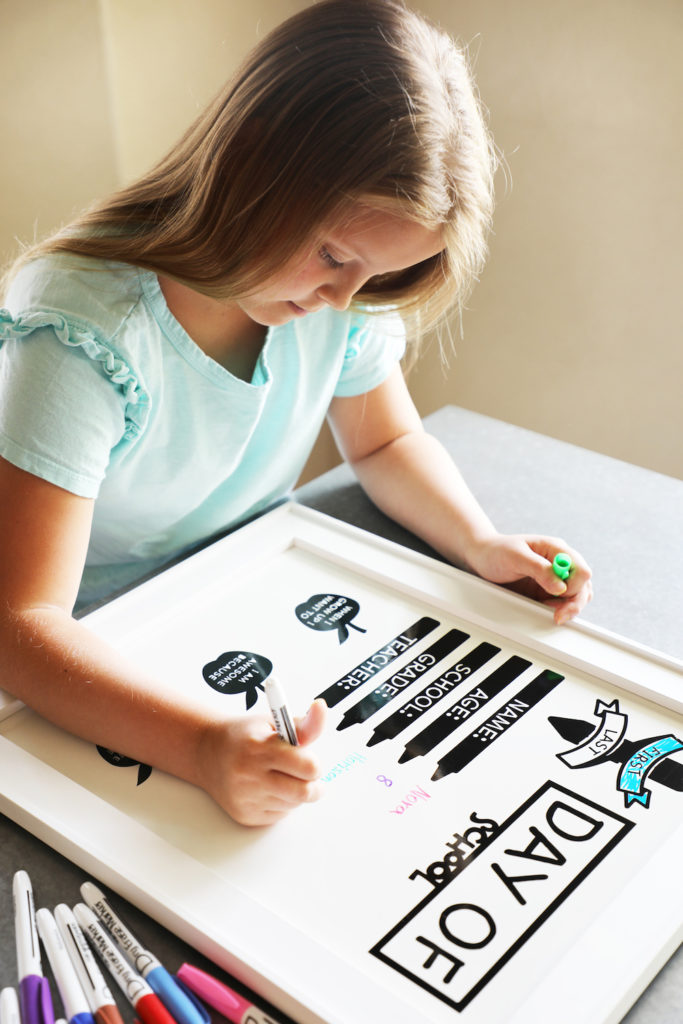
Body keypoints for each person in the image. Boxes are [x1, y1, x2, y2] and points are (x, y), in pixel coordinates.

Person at [0, 0, 591, 826]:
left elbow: (385, 440)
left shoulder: (334, 301)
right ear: (256, 169)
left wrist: (478, 540)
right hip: (94, 647)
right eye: (336, 258)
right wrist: (203, 747)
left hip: (240, 594)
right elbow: (22, 625)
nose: (342, 301)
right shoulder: (83, 332)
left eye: (375, 279)